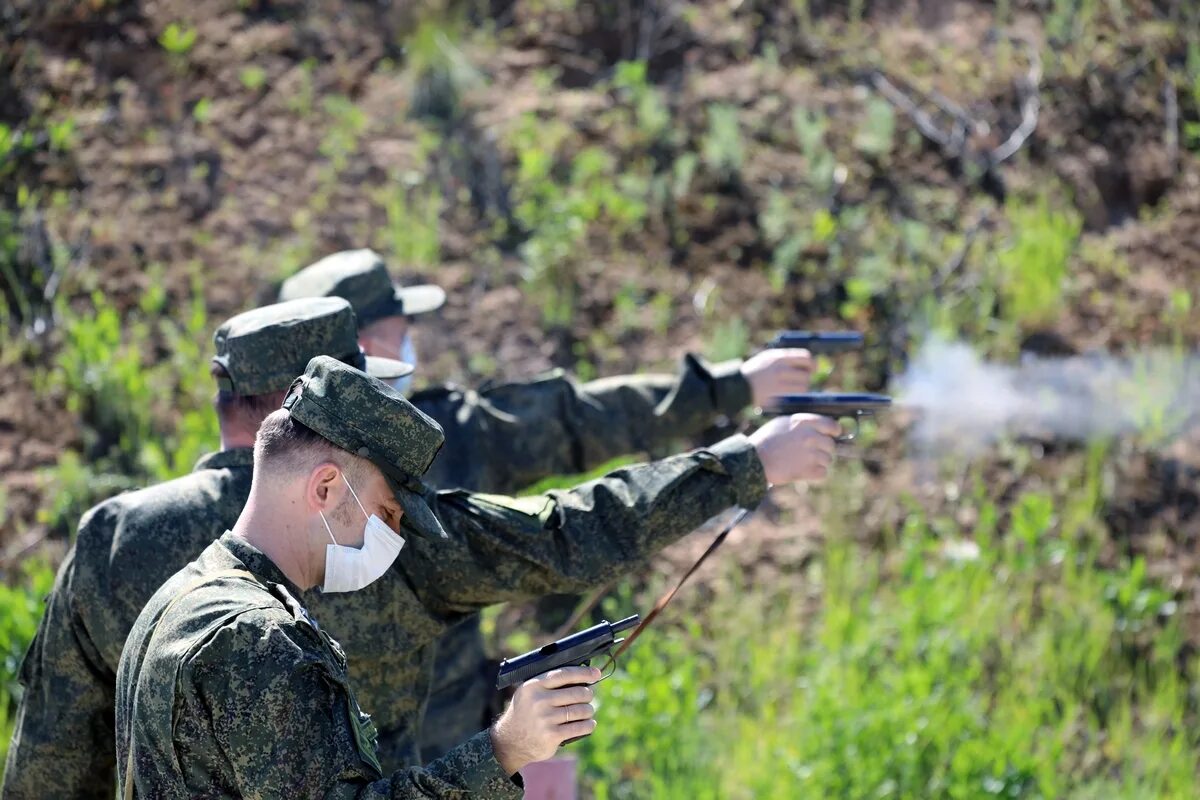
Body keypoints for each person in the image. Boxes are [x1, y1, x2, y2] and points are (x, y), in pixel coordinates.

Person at [5, 298, 836, 796]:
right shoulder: (359, 552)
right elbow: (568, 529)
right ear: (329, 411)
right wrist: (746, 463)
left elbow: (51, 755)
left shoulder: (127, 547)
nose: (390, 519)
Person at [279, 248, 817, 759]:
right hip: (442, 767)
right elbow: (568, 527)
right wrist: (746, 447)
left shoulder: (254, 496)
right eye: (402, 330)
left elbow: (575, 421)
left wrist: (733, 389)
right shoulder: (448, 440)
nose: (412, 344)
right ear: (366, 344)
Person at [2, 298, 412, 799]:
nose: (393, 533)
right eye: (388, 514)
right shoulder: (259, 632)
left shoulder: (149, 567)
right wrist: (501, 751)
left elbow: (52, 758)